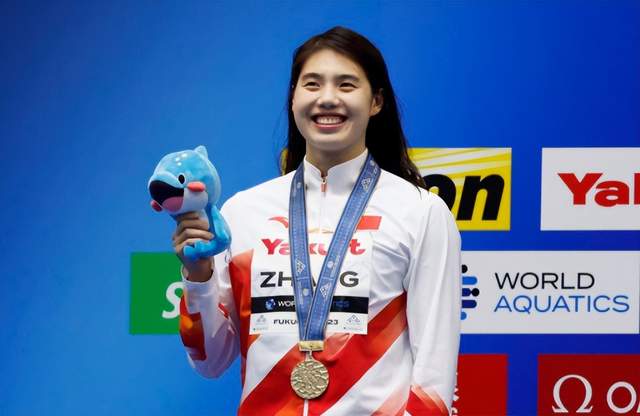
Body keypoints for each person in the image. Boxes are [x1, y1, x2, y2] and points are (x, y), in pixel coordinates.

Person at [172, 26, 461, 415]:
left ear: (376, 101)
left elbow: (434, 377)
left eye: (346, 85)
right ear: (293, 98)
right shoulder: (243, 212)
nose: (327, 98)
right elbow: (210, 362)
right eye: (312, 84)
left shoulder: (420, 212)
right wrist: (198, 274)